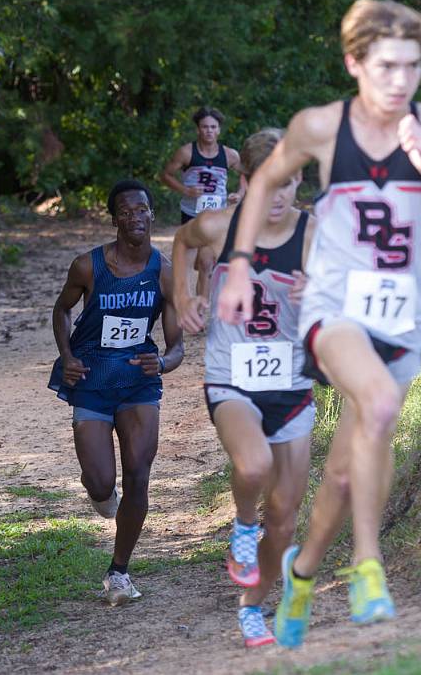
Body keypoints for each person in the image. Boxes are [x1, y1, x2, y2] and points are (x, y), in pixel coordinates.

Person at [215, 0, 421, 648]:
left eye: (413, 67)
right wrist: (241, 265)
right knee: (381, 401)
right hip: (334, 309)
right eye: (387, 66)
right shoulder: (319, 127)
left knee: (342, 471)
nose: (401, 82)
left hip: (401, 318)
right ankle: (369, 569)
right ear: (354, 62)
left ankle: (302, 575)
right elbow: (260, 184)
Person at [172, 128, 317, 649]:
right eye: (265, 184)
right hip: (232, 374)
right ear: (247, 181)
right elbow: (183, 243)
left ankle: (253, 607)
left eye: (287, 183)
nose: (277, 197)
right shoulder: (220, 226)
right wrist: (183, 296)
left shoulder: (314, 233)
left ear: (300, 179)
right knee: (253, 466)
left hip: (293, 384)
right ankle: (241, 526)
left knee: (286, 514)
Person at [48, 179, 185, 606]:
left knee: (139, 476)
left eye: (141, 210)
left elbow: (178, 344)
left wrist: (162, 362)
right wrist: (66, 354)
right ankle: (102, 496)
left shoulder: (164, 271)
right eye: (125, 212)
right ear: (115, 220)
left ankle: (119, 572)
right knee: (100, 480)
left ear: (152, 214)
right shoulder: (88, 266)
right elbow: (61, 310)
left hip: (138, 382)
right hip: (91, 379)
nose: (134, 218)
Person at [161, 107, 243, 297]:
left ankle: (201, 307)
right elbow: (165, 175)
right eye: (205, 127)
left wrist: (239, 194)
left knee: (207, 264)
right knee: (186, 263)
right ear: (198, 129)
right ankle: (184, 302)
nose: (209, 131)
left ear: (219, 130)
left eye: (213, 127)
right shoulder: (186, 152)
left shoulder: (230, 155)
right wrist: (185, 190)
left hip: (216, 215)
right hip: (191, 213)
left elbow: (246, 174)